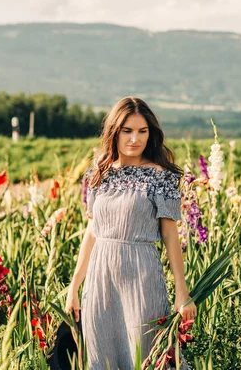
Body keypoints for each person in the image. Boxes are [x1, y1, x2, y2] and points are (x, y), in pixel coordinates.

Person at [65, 97, 196, 369]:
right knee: (101, 357)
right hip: (100, 281)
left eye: (142, 131)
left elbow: (172, 237)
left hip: (141, 276)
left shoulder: (162, 177)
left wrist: (182, 294)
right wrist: (75, 286)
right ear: (114, 132)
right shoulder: (98, 174)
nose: (135, 139)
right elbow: (93, 231)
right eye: (127, 131)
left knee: (147, 356)